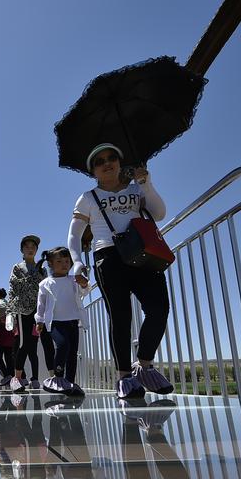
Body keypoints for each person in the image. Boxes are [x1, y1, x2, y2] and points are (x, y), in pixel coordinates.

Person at [67, 143, 174, 403]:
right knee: (120, 314)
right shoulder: (87, 198)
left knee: (159, 308)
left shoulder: (137, 189)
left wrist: (146, 183)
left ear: (119, 162)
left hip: (142, 252)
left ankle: (144, 365)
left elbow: (159, 213)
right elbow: (74, 234)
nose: (107, 163)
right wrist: (77, 262)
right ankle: (125, 375)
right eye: (100, 161)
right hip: (109, 255)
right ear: (93, 171)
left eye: (112, 157)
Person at [34, 247, 88, 396]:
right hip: (56, 323)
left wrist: (83, 284)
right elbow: (41, 304)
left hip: (73, 321)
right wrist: (39, 321)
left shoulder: (73, 280)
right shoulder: (45, 283)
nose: (64, 264)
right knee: (63, 345)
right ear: (50, 264)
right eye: (59, 261)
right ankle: (57, 378)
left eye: (67, 261)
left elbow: (83, 292)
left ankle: (69, 382)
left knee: (72, 353)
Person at [6, 235, 55, 393]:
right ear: (22, 250)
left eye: (33, 246)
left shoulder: (42, 268)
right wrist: (10, 311)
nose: (30, 248)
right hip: (23, 310)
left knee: (44, 342)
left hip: (40, 310)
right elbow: (14, 287)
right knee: (24, 343)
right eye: (27, 246)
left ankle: (52, 377)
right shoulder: (17, 267)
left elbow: (46, 287)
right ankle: (17, 378)